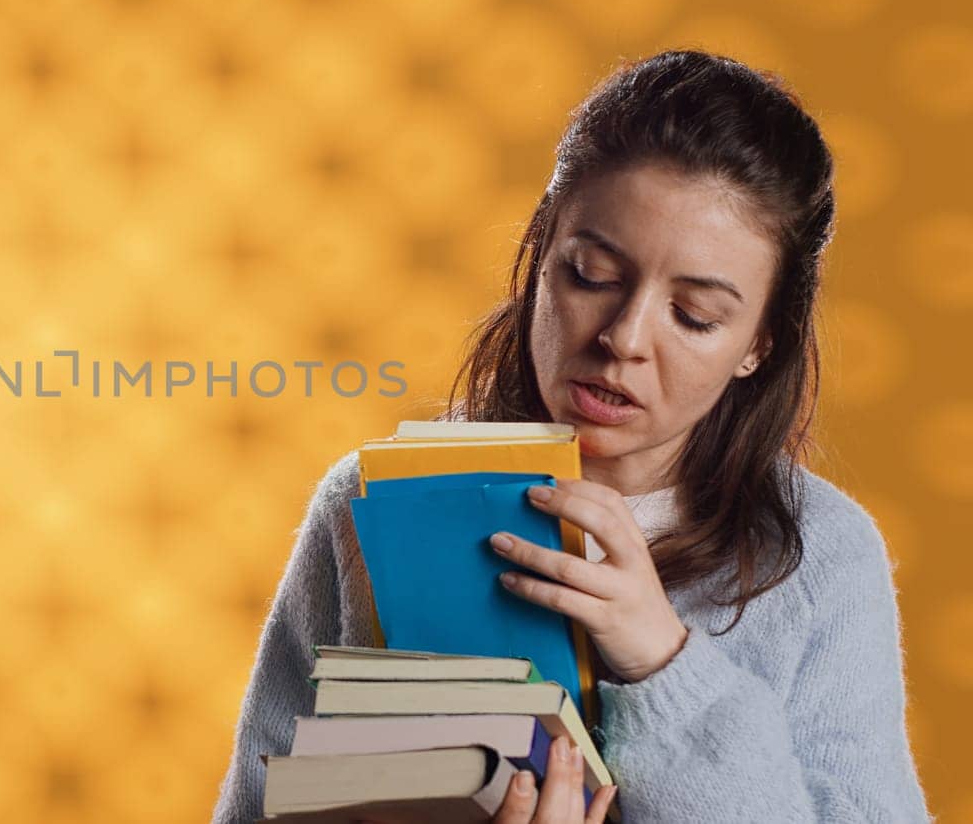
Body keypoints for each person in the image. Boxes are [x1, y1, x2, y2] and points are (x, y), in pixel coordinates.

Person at [210, 49, 933, 824]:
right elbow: (263, 804)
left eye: (694, 316)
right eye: (590, 274)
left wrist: (664, 663)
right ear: (539, 257)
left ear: (759, 343)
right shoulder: (373, 501)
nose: (625, 338)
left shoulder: (817, 557)